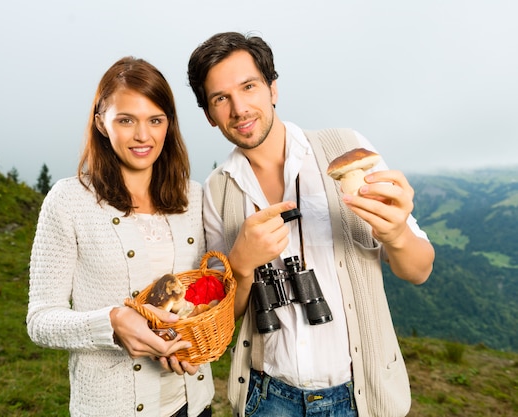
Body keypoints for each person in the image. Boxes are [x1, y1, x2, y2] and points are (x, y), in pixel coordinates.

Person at [187, 32, 435, 417]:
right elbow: (228, 314)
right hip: (268, 396)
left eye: (249, 86)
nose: (239, 109)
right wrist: (240, 264)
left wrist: (397, 234)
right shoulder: (216, 190)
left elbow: (419, 270)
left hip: (359, 394)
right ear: (208, 114)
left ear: (273, 89)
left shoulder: (345, 148)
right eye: (221, 98)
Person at [27, 57, 214, 417]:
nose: (143, 135)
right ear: (101, 123)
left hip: (192, 403)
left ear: (169, 124)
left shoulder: (193, 198)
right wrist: (110, 323)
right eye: (126, 120)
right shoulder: (69, 201)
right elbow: (40, 320)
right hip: (109, 408)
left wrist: (189, 341)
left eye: (155, 120)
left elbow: (199, 297)